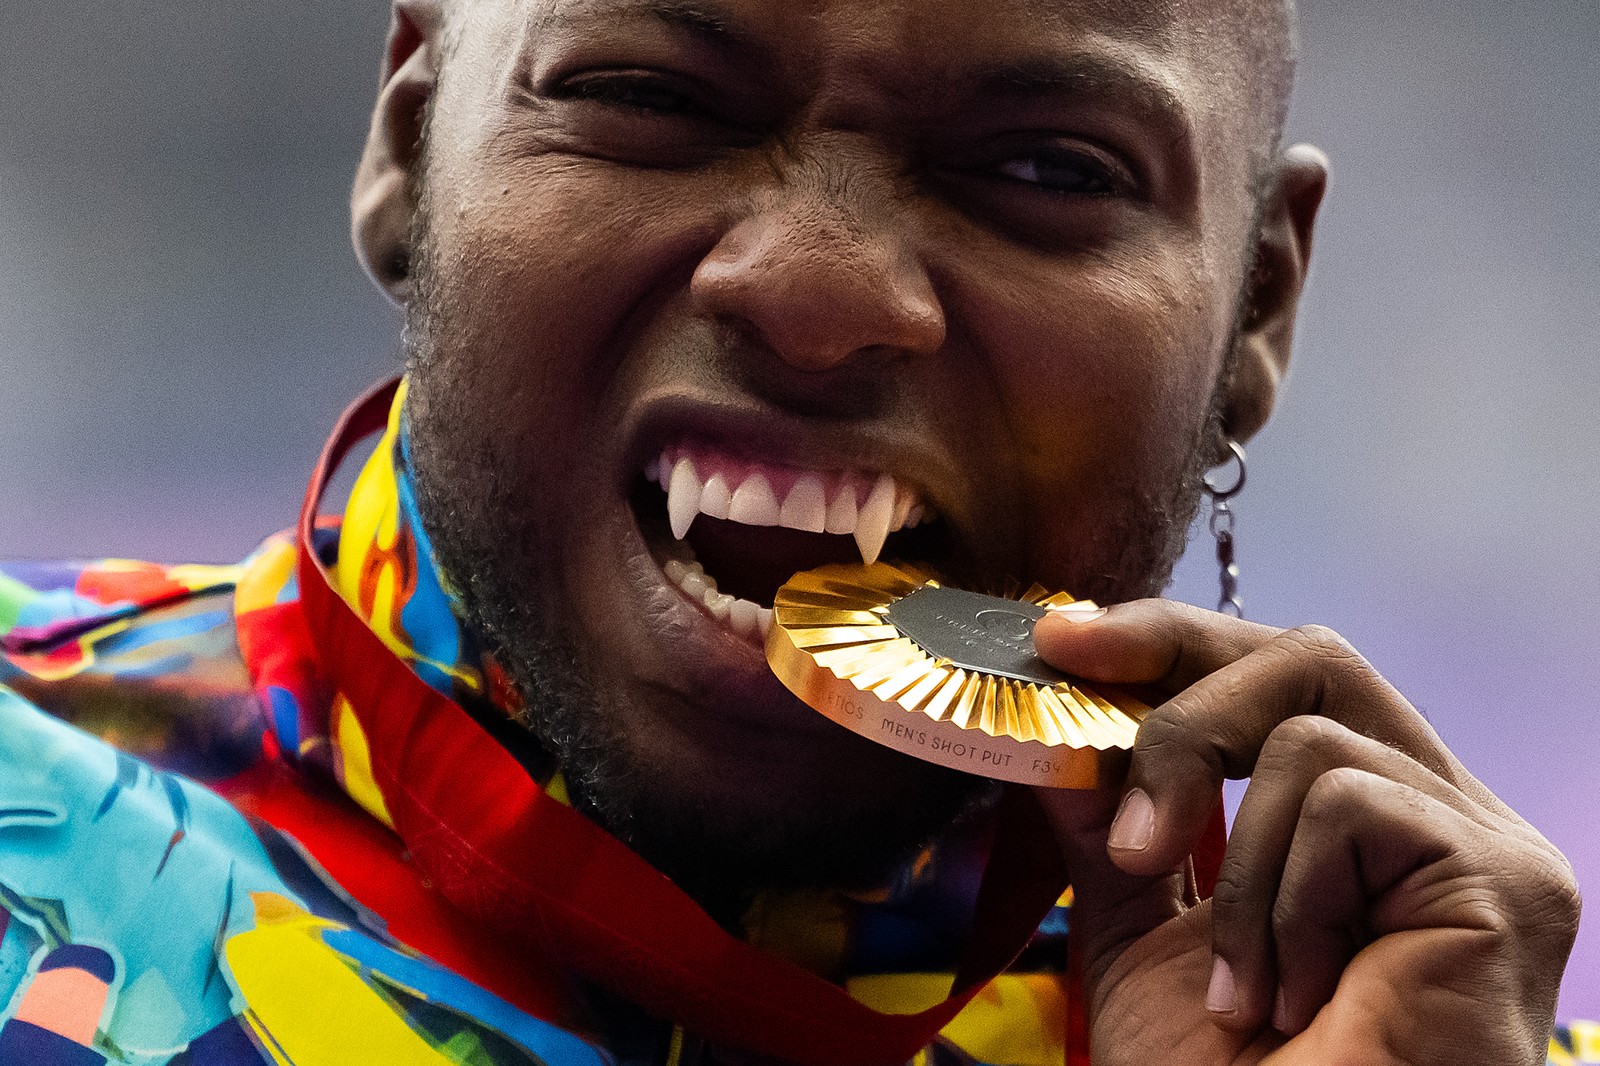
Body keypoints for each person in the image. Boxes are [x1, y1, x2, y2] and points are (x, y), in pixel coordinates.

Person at [0, 0, 1584, 1062]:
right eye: (649, 96)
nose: (821, 294)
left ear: (1259, 306)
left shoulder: (1410, 1025)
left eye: (1046, 167)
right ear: (411, 144)